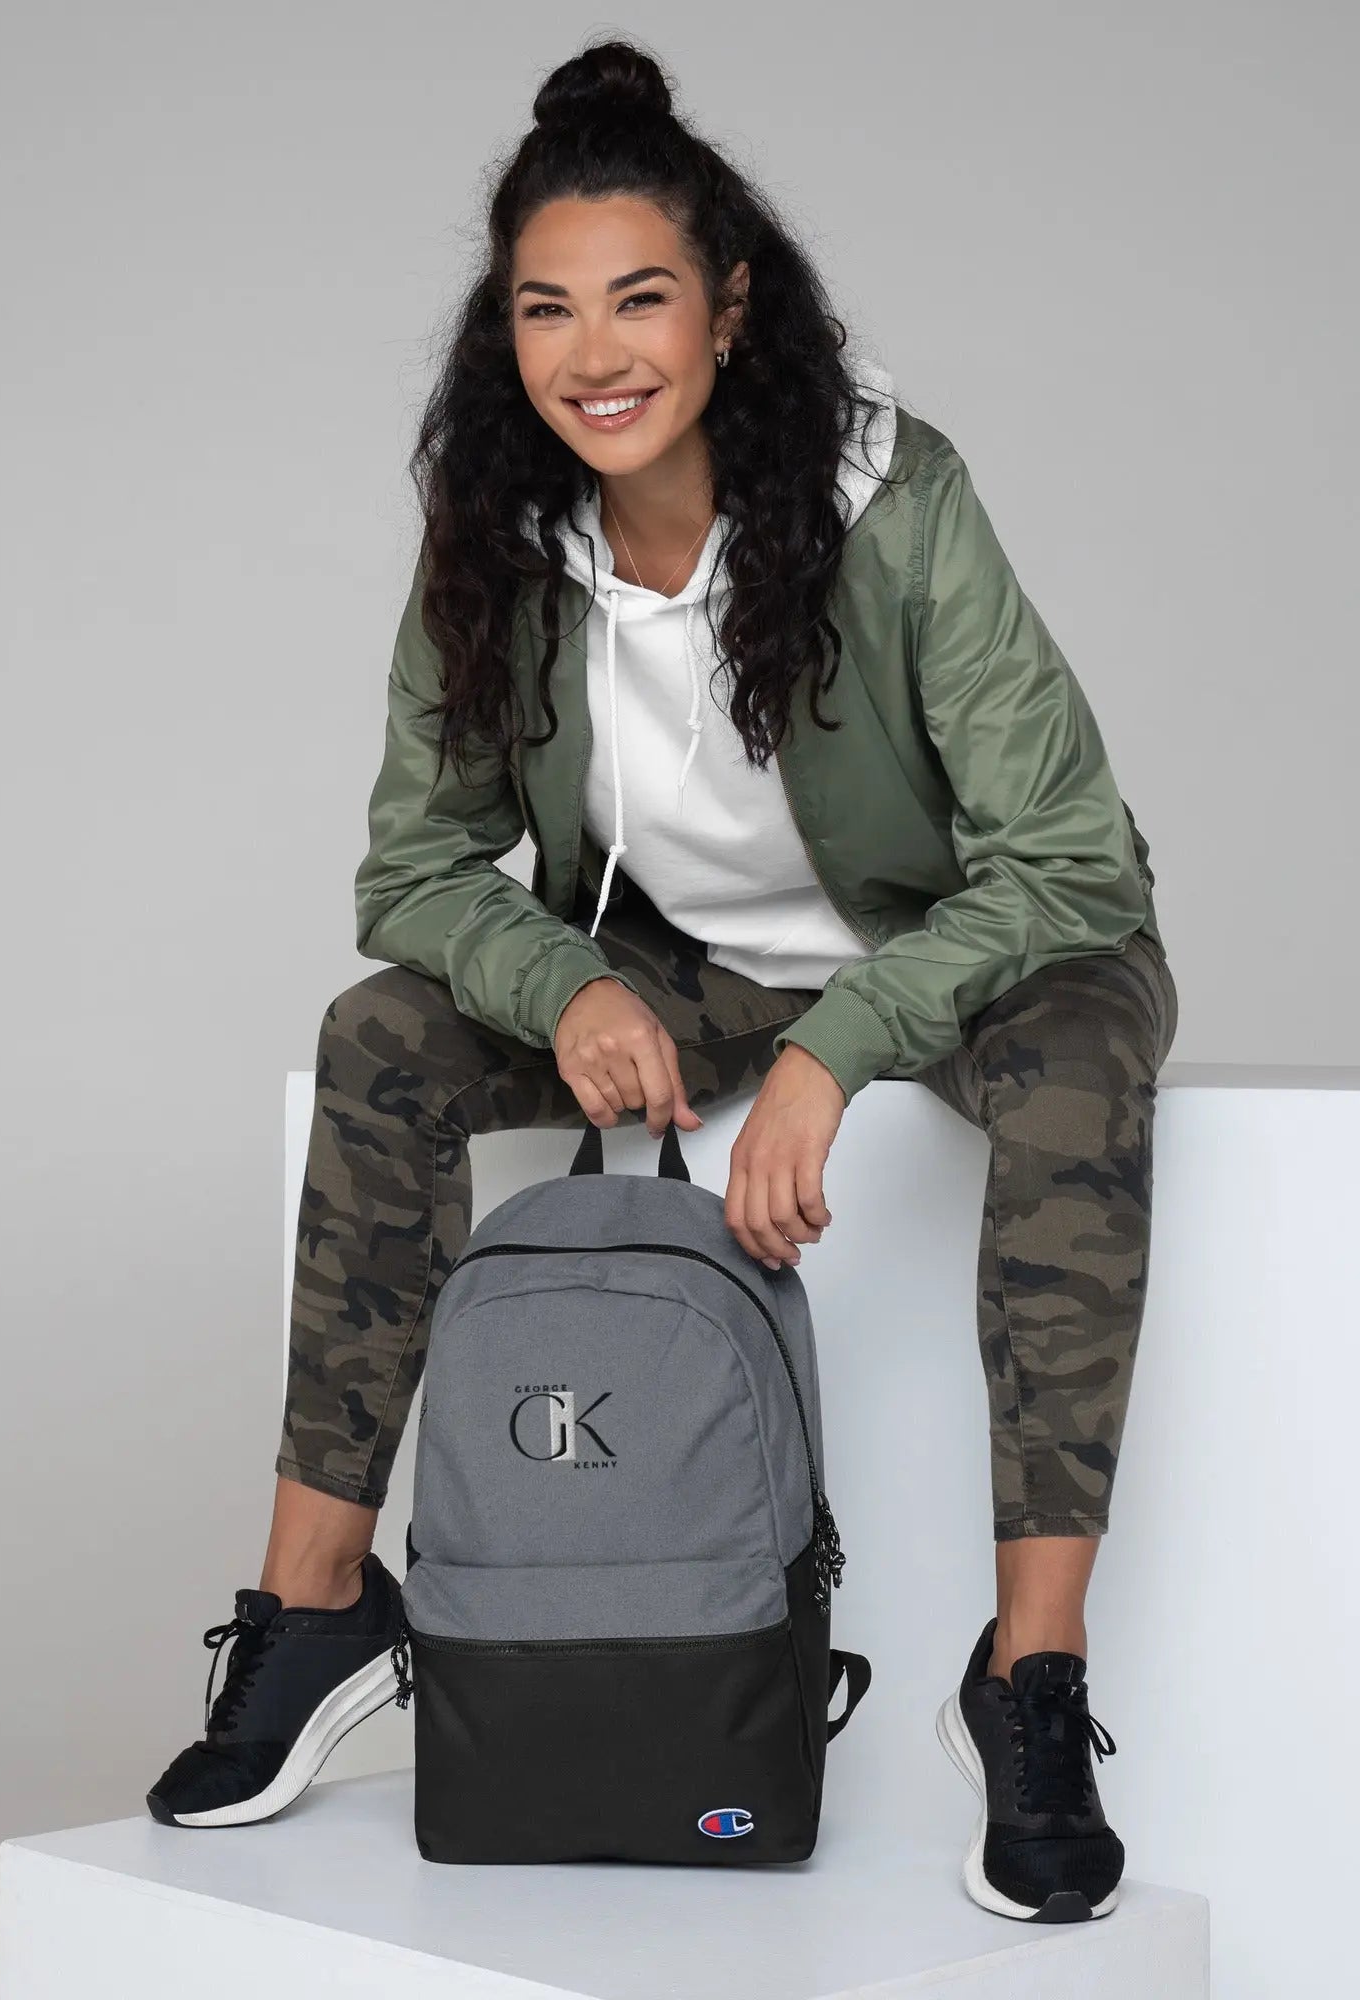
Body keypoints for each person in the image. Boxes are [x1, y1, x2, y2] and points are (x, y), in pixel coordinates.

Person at [146, 38, 1178, 1925]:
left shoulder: (891, 499)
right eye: (547, 309)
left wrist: (840, 1051)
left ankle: (1031, 1676)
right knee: (377, 1041)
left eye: (639, 299)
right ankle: (319, 1607)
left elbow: (1071, 855)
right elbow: (411, 867)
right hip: (683, 972)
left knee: (1078, 1072)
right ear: (506, 334)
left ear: (731, 308)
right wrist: (561, 984)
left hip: (967, 948)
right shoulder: (497, 538)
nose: (594, 353)